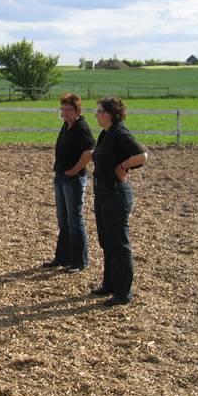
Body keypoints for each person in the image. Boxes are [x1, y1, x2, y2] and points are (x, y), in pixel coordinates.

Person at [90, 96, 148, 306]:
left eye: (99, 111)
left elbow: (142, 156)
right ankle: (110, 283)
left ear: (110, 114)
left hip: (116, 194)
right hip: (103, 192)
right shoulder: (105, 134)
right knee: (107, 241)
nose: (96, 115)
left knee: (119, 244)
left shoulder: (121, 133)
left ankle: (123, 292)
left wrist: (123, 165)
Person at [42, 93, 95, 273]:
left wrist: (75, 169)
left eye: (67, 109)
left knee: (75, 219)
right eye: (62, 108)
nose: (64, 112)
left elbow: (89, 151)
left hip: (74, 178)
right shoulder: (67, 126)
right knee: (63, 220)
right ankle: (62, 257)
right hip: (61, 176)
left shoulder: (81, 127)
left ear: (77, 110)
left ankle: (79, 261)